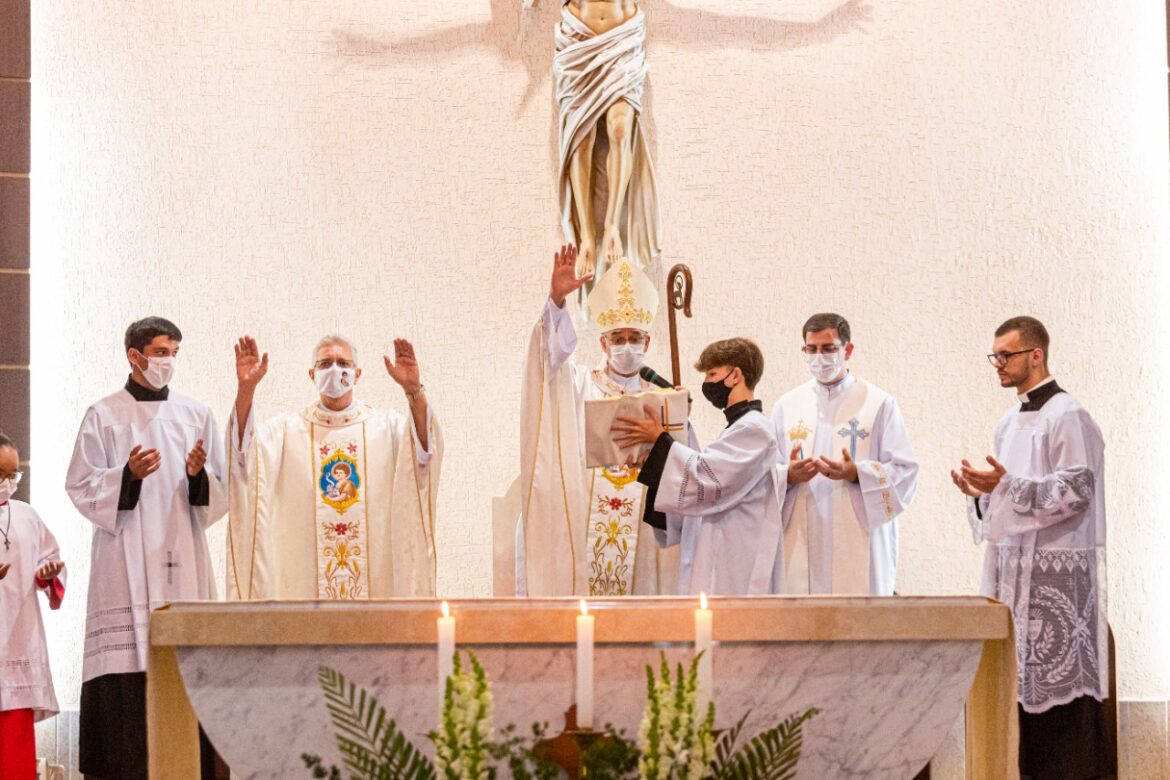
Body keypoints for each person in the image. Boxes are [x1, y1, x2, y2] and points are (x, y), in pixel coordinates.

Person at [65, 316, 227, 779]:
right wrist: (127, 476)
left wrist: (198, 477)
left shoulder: (196, 414)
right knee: (128, 683)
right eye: (160, 352)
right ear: (134, 356)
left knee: (185, 671)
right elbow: (79, 484)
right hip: (125, 563)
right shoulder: (103, 414)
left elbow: (219, 494)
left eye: (174, 352)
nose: (168, 361)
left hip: (183, 558)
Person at [951, 316, 1112, 780]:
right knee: (1018, 711)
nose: (997, 364)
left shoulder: (1068, 414)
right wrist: (981, 494)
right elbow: (1008, 499)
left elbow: (1077, 489)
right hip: (1013, 582)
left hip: (1053, 584)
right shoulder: (1008, 421)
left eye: (1006, 355)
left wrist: (1006, 486)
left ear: (1035, 355)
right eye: (995, 356)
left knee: (1061, 722)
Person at [518, 244, 680, 596]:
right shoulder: (580, 386)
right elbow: (549, 361)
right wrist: (557, 301)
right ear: (604, 344)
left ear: (647, 342)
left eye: (634, 338)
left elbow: (688, 466)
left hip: (645, 529)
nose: (626, 346)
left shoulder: (666, 397)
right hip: (586, 521)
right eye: (617, 339)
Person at [227, 335, 441, 600]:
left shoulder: (386, 428)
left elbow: (422, 453)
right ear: (312, 374)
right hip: (304, 592)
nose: (335, 369)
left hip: (376, 589)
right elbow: (243, 458)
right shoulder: (286, 431)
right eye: (325, 363)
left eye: (343, 363)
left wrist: (413, 392)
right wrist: (246, 391)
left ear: (357, 374)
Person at [613, 338, 784, 595]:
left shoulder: (754, 429)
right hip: (721, 551)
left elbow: (705, 478)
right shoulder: (738, 429)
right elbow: (700, 468)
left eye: (712, 373)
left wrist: (660, 440)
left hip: (736, 560)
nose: (707, 382)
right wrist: (669, 437)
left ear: (735, 375)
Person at [772, 313, 918, 595]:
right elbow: (766, 473)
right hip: (802, 535)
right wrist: (787, 475)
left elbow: (905, 471)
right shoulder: (787, 406)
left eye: (828, 349)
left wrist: (857, 473)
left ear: (847, 350)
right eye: (811, 349)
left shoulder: (879, 404)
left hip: (857, 533)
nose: (819, 357)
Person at [555, 0, 660, 287]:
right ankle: (587, 235)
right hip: (579, 36)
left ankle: (612, 223)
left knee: (619, 128)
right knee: (581, 136)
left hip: (622, 36)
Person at [0, 433, 65, 780]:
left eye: (13, 475)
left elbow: (51, 561)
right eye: (0, 474)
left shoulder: (27, 517)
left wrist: (47, 574)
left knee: (14, 758)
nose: (7, 483)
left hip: (17, 643)